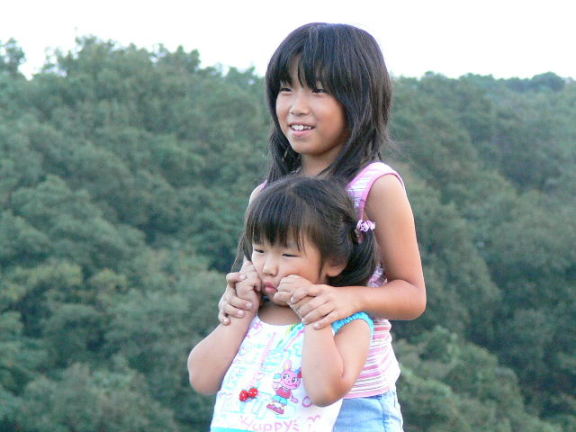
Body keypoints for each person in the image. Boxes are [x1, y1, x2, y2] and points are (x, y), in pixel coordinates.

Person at [218, 22, 427, 431]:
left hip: (355, 402)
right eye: (286, 89)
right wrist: (236, 297)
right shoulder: (266, 195)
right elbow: (257, 281)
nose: (296, 106)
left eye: (317, 90)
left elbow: (412, 295)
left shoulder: (375, 186)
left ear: (358, 99)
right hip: (274, 400)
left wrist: (348, 300)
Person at [188, 176, 378, 431]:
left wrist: (313, 315)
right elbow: (202, 379)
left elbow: (324, 392)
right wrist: (243, 312)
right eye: (259, 250)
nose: (268, 267)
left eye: (287, 254)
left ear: (334, 262)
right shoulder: (252, 311)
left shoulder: (350, 325)